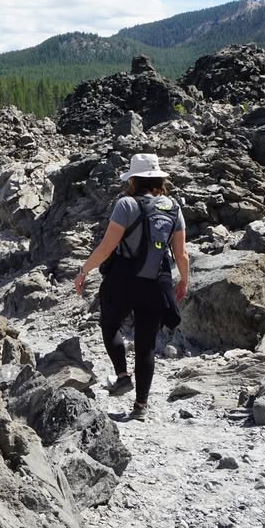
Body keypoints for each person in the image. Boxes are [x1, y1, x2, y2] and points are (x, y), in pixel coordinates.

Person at [73, 154, 189, 421]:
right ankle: (140, 406)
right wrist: (184, 280)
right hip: (157, 281)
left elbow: (107, 247)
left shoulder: (126, 204)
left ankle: (122, 375)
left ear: (133, 180)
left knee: (109, 324)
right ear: (159, 179)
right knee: (146, 344)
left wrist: (84, 270)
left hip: (124, 278)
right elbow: (181, 254)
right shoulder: (173, 207)